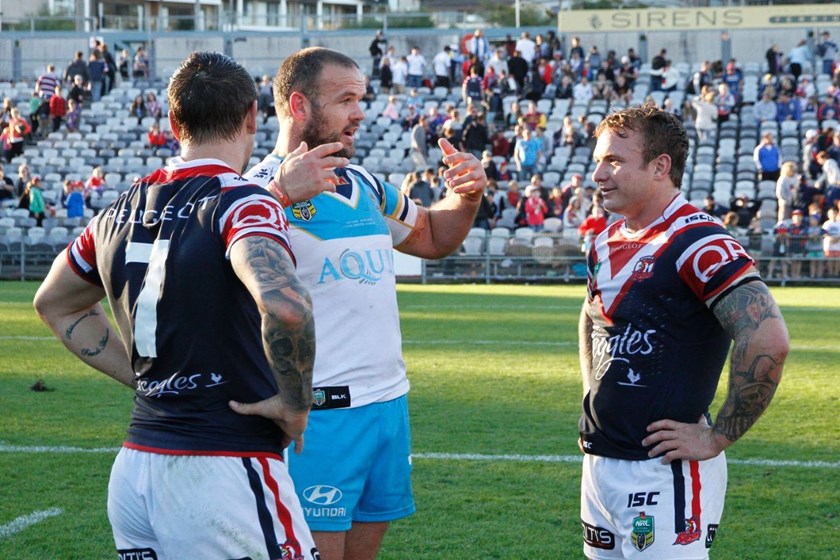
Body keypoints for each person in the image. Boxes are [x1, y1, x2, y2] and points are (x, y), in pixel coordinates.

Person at [33, 51, 320, 560]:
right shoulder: (243, 201)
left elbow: (54, 303)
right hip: (225, 467)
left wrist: (148, 380)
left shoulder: (115, 211)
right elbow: (288, 307)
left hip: (137, 468)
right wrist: (295, 405)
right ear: (253, 117)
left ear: (172, 122)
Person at [244, 47, 486, 560]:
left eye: (362, 99)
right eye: (346, 99)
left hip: (387, 408)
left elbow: (432, 237)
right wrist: (280, 195)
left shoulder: (365, 185)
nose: (360, 113)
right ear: (300, 106)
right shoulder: (254, 193)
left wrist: (464, 198)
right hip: (320, 416)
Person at [579, 104, 789, 559]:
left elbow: (768, 337)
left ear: (660, 167)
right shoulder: (605, 240)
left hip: (664, 471)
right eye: (597, 159)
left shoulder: (700, 241)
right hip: (600, 463)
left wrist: (717, 438)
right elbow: (590, 317)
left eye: (614, 161)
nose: (597, 173)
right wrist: (591, 393)